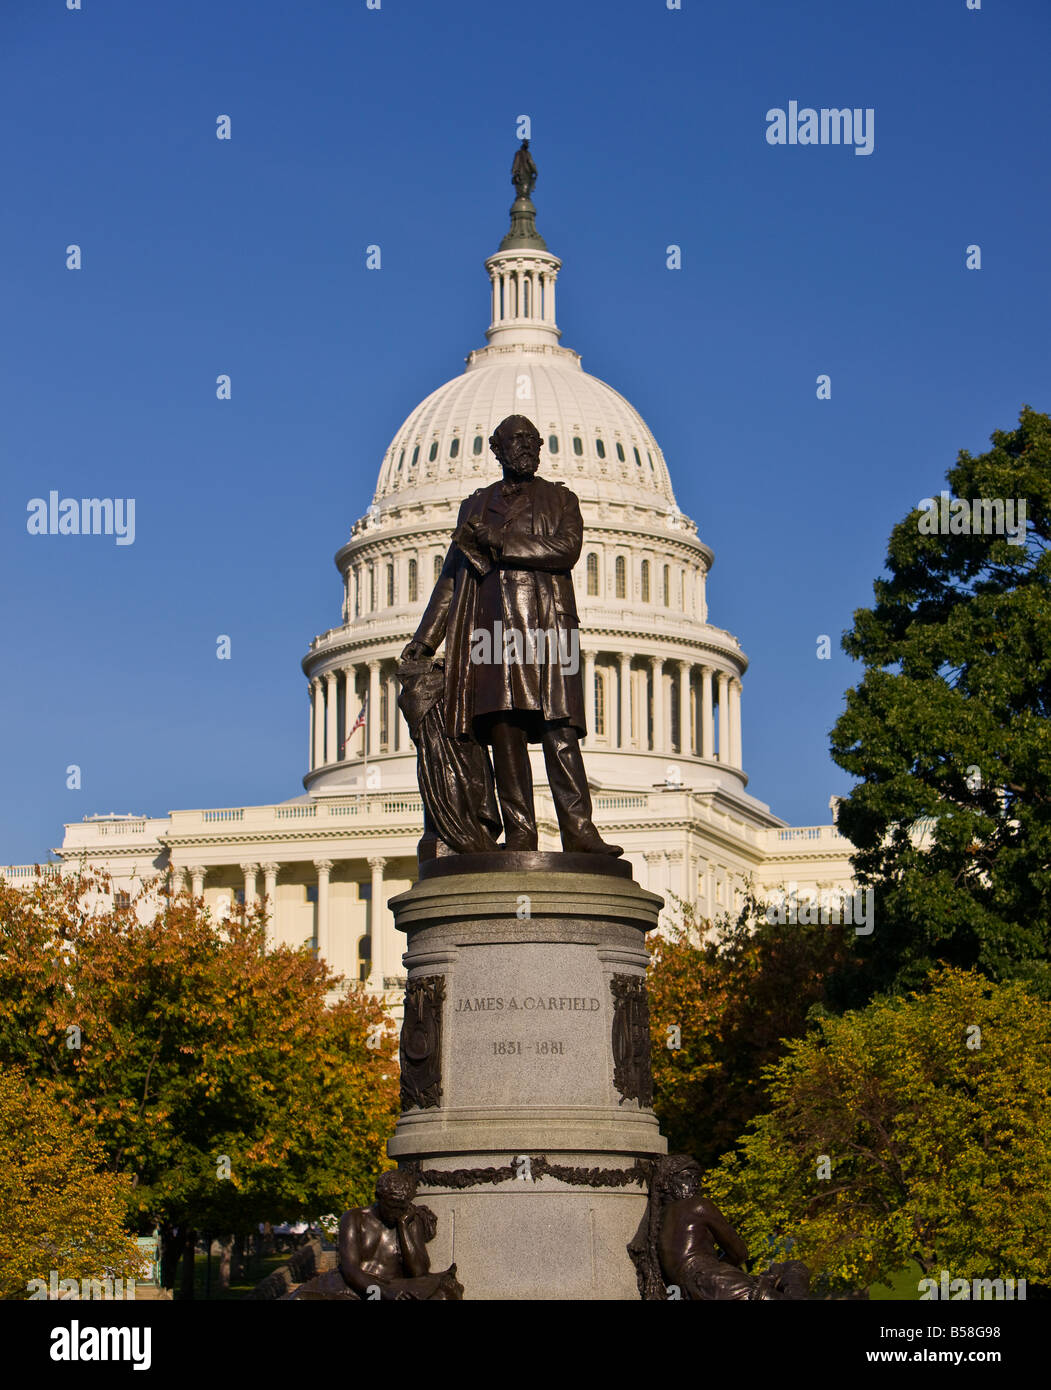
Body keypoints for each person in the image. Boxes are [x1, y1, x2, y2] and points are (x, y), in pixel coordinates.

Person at [401, 414, 621, 856]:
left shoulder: (561, 500)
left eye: (532, 442)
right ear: (497, 450)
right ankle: (521, 832)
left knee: (560, 730)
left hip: (549, 628)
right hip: (490, 632)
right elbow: (451, 578)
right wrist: (426, 639)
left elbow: (566, 550)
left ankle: (580, 830)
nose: (526, 449)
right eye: (516, 442)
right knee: (505, 731)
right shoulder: (474, 506)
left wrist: (500, 540)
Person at [290, 1170, 462, 1301]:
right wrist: (383, 1295)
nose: (397, 1212)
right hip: (354, 1287)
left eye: (402, 1207)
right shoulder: (354, 1218)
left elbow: (419, 1272)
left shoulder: (409, 1219)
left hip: (394, 1285)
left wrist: (403, 1226)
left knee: (444, 1293)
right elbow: (351, 1271)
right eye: (392, 1206)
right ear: (378, 1197)